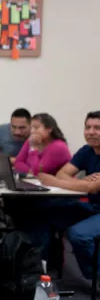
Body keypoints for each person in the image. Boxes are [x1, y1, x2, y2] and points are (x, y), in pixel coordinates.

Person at [39, 111, 100, 285]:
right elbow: (63, 173)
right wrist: (82, 182)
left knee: (79, 234)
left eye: (97, 128)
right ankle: (45, 266)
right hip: (92, 207)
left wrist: (54, 181)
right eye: (88, 127)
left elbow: (92, 187)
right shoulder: (87, 150)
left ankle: (95, 275)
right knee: (48, 214)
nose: (91, 132)